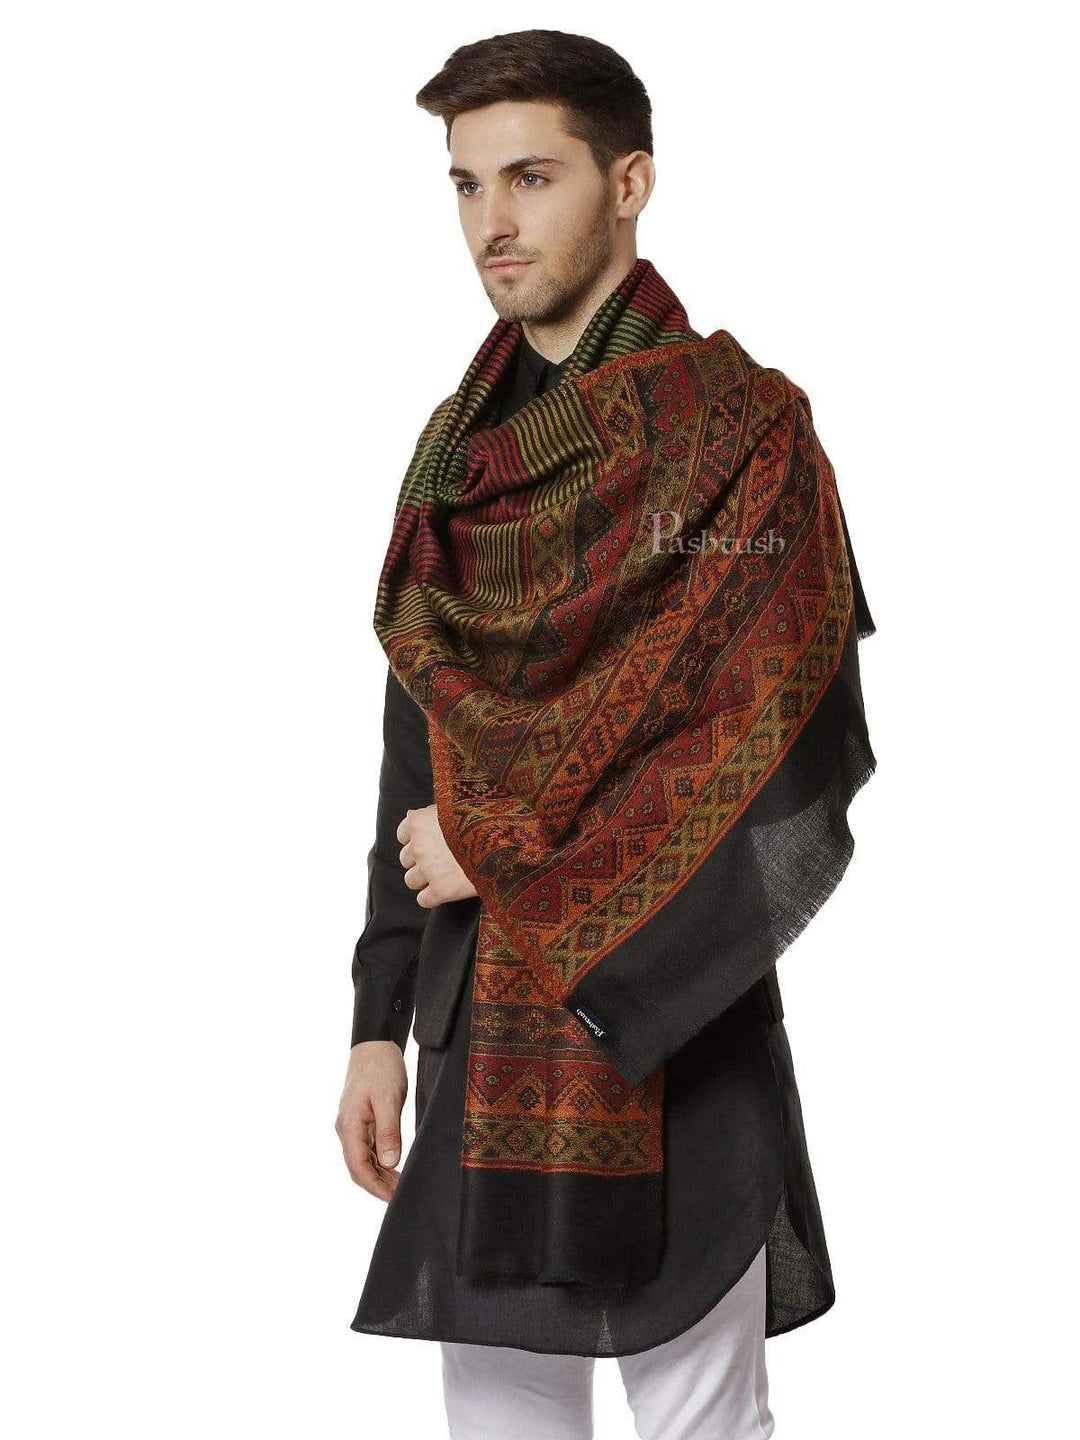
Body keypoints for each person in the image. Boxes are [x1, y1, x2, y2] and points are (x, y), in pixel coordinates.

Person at [336, 30, 876, 1440]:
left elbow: (765, 747)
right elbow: (417, 746)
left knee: (704, 1428)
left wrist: (507, 845)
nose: (493, 224)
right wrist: (376, 1021)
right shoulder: (454, 462)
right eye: (466, 185)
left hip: (672, 1022)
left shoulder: (745, 438)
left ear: (628, 183)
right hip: (475, 1027)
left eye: (532, 177)